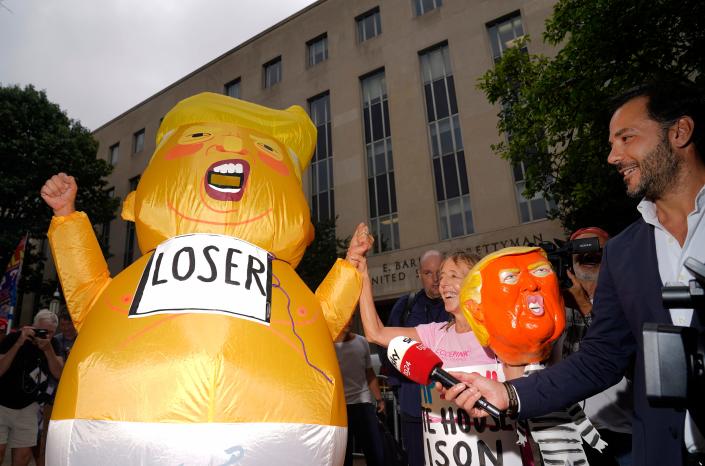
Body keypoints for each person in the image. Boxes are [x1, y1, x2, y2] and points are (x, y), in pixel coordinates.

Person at [440, 79, 705, 466]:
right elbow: (600, 359)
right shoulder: (624, 251)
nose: (613, 156)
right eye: (612, 144)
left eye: (626, 138)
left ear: (679, 132)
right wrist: (509, 394)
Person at [560, 227, 633, 466]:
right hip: (578, 434)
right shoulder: (557, 308)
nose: (588, 254)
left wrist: (585, 306)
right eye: (580, 251)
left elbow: (619, 346)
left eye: (596, 249)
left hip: (627, 431)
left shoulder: (627, 296)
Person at [357, 249, 495, 370]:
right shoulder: (436, 334)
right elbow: (375, 333)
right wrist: (362, 274)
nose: (442, 283)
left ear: (476, 283)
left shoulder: (498, 333)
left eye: (453, 276)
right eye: (443, 277)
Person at [383, 250, 447, 466]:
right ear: (420, 274)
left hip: (453, 406)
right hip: (414, 404)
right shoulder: (405, 306)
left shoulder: (459, 305)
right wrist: (398, 388)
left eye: (439, 272)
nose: (436, 279)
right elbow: (388, 347)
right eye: (429, 273)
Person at [0, 309, 64, 466]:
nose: (44, 336)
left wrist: (47, 349)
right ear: (33, 326)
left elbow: (59, 374)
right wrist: (19, 343)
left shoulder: (54, 344)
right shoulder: (14, 338)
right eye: (41, 331)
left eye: (50, 332)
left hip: (29, 407)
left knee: (22, 457)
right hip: (2, 403)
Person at [335, 322, 385, 466]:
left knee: (375, 452)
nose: (349, 321)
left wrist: (379, 399)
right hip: (340, 408)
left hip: (363, 404)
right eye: (345, 317)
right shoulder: (328, 345)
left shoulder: (361, 341)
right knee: (344, 457)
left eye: (352, 317)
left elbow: (369, 373)